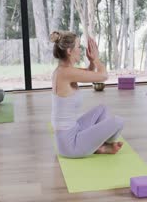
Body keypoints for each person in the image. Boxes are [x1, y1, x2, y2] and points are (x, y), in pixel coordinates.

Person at [50, 30, 124, 158]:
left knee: (102, 109)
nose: (80, 50)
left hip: (73, 130)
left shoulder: (63, 70)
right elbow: (103, 76)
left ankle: (96, 145)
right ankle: (100, 146)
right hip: (70, 145)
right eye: (78, 47)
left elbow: (88, 72)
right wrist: (97, 59)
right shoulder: (66, 73)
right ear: (69, 51)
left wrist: (91, 62)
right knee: (118, 121)